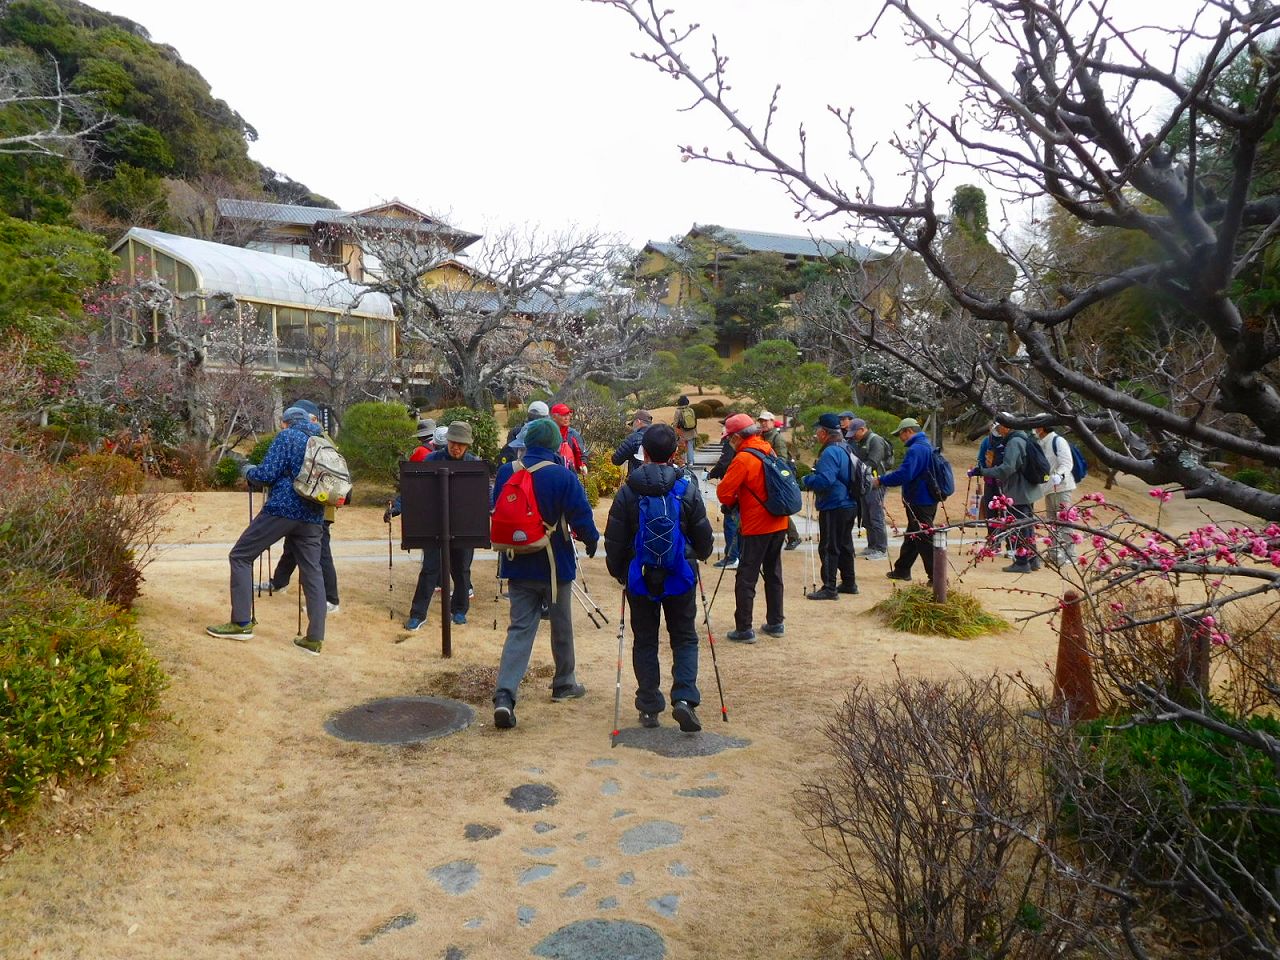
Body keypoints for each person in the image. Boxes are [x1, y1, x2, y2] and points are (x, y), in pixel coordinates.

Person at [491, 417, 600, 729]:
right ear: (554, 444)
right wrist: (591, 540)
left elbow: (496, 507)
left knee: (520, 629)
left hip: (516, 561)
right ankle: (564, 683)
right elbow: (581, 515)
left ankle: (505, 694)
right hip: (554, 564)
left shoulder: (505, 471)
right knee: (561, 626)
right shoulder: (562, 476)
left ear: (527, 443)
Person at [604, 424, 714, 731]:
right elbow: (704, 539)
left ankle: (649, 706)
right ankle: (684, 700)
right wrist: (698, 556)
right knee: (684, 638)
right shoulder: (686, 488)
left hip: (640, 577)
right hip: (680, 575)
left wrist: (620, 573)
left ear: (645, 453)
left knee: (645, 641)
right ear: (675, 452)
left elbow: (614, 540)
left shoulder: (628, 491)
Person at [207, 406, 327, 655]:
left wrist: (248, 470)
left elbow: (266, 474)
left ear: (285, 423)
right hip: (314, 513)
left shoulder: (287, 436)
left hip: (284, 508)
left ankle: (241, 623)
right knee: (312, 572)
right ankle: (314, 639)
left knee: (240, 556)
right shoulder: (320, 440)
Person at [389, 421, 480, 629]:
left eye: (461, 444)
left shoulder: (473, 463)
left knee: (462, 570)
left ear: (467, 446)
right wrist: (397, 507)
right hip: (434, 524)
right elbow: (414, 488)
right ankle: (418, 613)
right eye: (453, 443)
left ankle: (459, 609)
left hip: (464, 524)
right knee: (430, 569)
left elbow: (484, 494)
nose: (456, 447)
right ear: (447, 442)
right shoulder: (431, 459)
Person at [257, 399, 341, 612]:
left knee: (320, 553)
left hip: (317, 505)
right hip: (303, 504)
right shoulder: (310, 435)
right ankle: (279, 581)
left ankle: (331, 599)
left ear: (312, 417)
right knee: (291, 547)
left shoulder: (320, 438)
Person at [716, 413, 787, 643]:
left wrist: (735, 500)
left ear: (737, 437)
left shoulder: (743, 458)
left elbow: (724, 493)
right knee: (773, 573)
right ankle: (776, 622)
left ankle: (744, 628)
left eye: (729, 438)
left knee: (746, 577)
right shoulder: (768, 449)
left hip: (756, 525)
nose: (728, 442)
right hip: (779, 521)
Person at [968, 417, 1048, 573]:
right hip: (1027, 489)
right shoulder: (1023, 437)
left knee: (1020, 526)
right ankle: (1032, 559)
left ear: (1006, 427)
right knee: (1027, 525)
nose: (999, 433)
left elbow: (1006, 469)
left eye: (999, 429)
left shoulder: (1014, 442)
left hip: (1018, 490)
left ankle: (1021, 561)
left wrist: (983, 471)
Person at [873, 417, 939, 584]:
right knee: (913, 535)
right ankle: (902, 569)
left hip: (920, 499)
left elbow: (904, 474)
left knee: (923, 537)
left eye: (900, 434)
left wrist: (882, 480)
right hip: (926, 497)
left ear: (908, 431)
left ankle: (937, 576)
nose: (900, 438)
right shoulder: (927, 446)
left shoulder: (916, 449)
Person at [800, 413, 859, 598]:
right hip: (850, 502)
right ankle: (849, 582)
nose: (816, 433)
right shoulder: (846, 447)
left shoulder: (830, 451)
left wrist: (807, 479)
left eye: (818, 430)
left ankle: (829, 588)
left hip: (835, 504)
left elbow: (825, 480)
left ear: (825, 432)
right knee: (845, 544)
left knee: (829, 546)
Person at [846, 417, 892, 560]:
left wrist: (856, 469)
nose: (853, 436)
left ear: (862, 429)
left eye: (855, 432)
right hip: (865, 483)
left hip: (876, 483)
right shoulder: (860, 442)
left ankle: (881, 548)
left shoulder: (875, 440)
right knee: (867, 516)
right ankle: (872, 545)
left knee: (876, 515)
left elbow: (873, 461)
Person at [758, 411, 802, 551]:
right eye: (761, 421)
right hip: (766, 476)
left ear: (772, 421)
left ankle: (793, 536)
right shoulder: (761, 437)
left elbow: (782, 459)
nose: (763, 423)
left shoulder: (777, 438)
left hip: (776, 478)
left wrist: (771, 469)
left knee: (780, 508)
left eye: (766, 421)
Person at [1036, 424, 1077, 566]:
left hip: (1062, 487)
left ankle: (1070, 556)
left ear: (1042, 428)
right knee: (1052, 522)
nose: (1034, 430)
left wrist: (1059, 475)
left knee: (1065, 521)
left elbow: (1067, 463)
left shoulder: (1058, 441)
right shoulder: (1041, 442)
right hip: (1049, 489)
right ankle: (1054, 554)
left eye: (1036, 427)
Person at [706, 435, 740, 569]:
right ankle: (736, 555)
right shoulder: (742, 441)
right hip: (739, 487)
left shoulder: (731, 442)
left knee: (731, 523)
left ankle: (732, 557)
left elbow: (724, 463)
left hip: (732, 487)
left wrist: (711, 474)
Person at [976, 423, 1008, 551]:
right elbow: (980, 460)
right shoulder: (987, 441)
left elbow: (981, 461)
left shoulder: (1007, 440)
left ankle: (1005, 544)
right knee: (994, 512)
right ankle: (996, 542)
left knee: (1002, 512)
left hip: (1000, 481)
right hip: (994, 481)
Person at [550, 402, 588, 475]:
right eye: (563, 415)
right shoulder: (547, 433)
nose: (567, 418)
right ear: (554, 417)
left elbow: (582, 452)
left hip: (571, 476)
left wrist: (583, 465)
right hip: (552, 475)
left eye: (568, 414)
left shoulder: (573, 434)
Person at [612, 410, 654, 476]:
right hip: (658, 479)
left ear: (638, 421)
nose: (632, 427)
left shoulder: (634, 438)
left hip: (637, 478)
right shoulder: (660, 436)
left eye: (633, 424)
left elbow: (616, 460)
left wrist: (629, 455)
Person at [674, 395, 699, 464]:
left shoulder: (678, 411)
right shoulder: (691, 410)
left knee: (682, 448)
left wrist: (675, 434)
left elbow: (676, 423)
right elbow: (695, 422)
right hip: (691, 432)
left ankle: (683, 463)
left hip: (682, 433)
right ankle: (691, 462)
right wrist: (696, 433)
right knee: (690, 447)